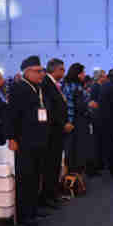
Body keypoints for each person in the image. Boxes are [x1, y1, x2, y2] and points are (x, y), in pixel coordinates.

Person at [6, 56, 52, 226]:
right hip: (24, 140)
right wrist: (11, 137)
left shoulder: (37, 87)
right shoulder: (18, 88)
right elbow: (11, 115)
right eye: (38, 71)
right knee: (26, 177)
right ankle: (25, 214)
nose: (42, 74)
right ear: (27, 71)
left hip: (39, 138)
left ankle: (33, 208)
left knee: (35, 176)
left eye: (42, 71)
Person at [42, 58, 70, 209]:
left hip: (57, 131)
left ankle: (53, 194)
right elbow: (50, 109)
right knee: (51, 165)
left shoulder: (53, 83)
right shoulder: (47, 83)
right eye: (62, 70)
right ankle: (48, 196)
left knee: (55, 164)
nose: (63, 73)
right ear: (56, 70)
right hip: (52, 131)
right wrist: (62, 123)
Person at [63, 63, 97, 174]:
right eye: (83, 72)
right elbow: (70, 106)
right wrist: (70, 122)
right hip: (76, 123)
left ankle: (77, 175)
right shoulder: (71, 86)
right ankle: (74, 177)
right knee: (76, 151)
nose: (84, 75)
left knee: (80, 150)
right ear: (77, 74)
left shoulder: (77, 85)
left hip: (80, 121)